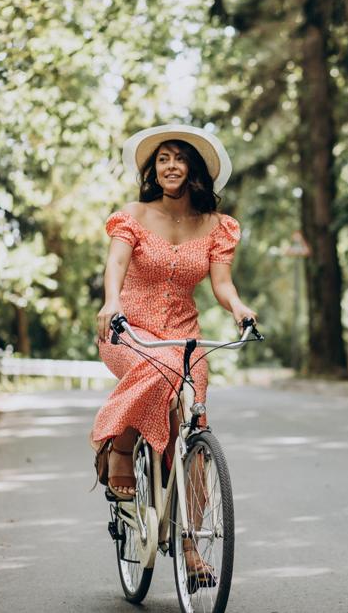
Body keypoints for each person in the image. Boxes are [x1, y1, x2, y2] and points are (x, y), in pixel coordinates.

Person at [91, 124, 256, 503]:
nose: (170, 165)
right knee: (158, 365)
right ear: (154, 170)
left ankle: (192, 543)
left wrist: (238, 307)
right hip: (127, 329)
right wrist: (111, 300)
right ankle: (120, 445)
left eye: (179, 158)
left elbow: (222, 285)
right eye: (163, 159)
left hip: (184, 336)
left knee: (195, 426)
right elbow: (116, 263)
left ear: (194, 169)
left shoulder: (218, 226)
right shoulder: (133, 215)